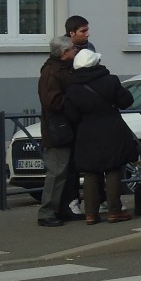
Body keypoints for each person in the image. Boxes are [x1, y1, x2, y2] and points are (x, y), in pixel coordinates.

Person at [64, 49, 135, 224]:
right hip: (111, 129)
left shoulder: (72, 88)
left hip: (86, 132)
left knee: (90, 172)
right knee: (113, 169)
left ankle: (90, 214)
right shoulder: (110, 81)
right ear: (96, 63)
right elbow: (126, 101)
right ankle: (114, 211)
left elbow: (71, 115)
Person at [36, 35, 78, 227]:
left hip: (65, 127)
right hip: (57, 129)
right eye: (72, 49)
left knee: (67, 171)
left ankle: (63, 208)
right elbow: (51, 102)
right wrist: (74, 101)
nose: (75, 51)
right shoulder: (51, 72)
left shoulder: (61, 69)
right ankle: (47, 212)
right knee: (57, 171)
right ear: (64, 54)